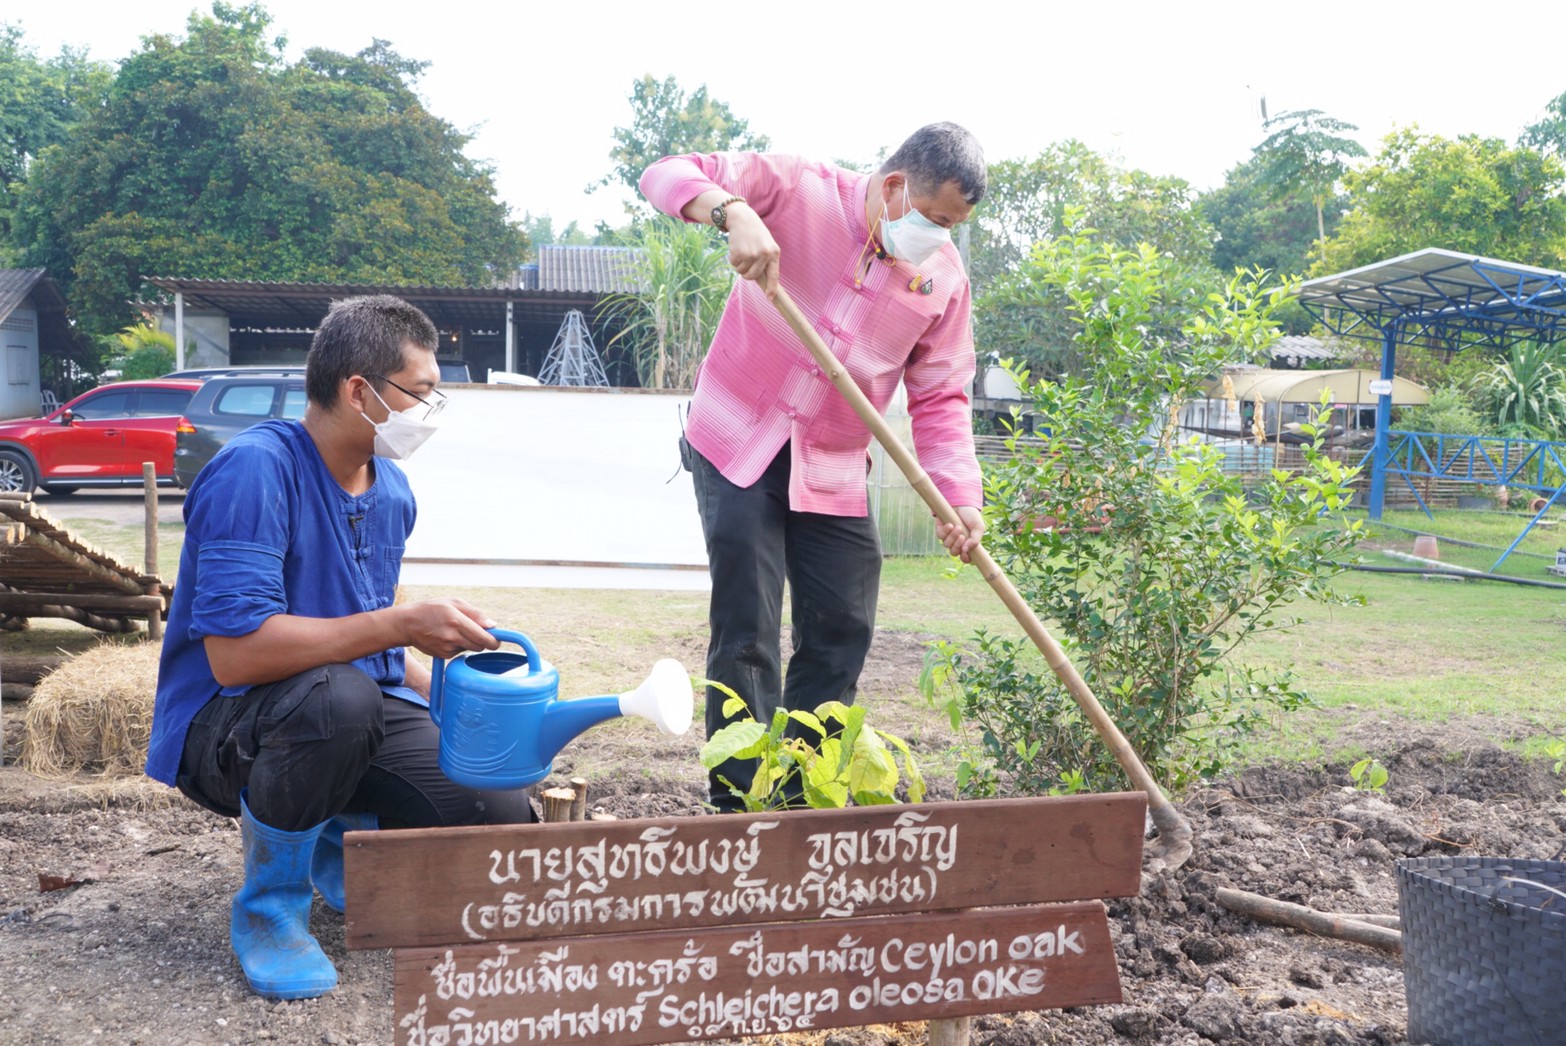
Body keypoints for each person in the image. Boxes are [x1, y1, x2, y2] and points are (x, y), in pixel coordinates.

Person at [146, 295, 533, 1001]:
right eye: (419, 394)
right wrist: (399, 625)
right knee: (340, 700)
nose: (429, 413)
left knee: (493, 806)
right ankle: (270, 911)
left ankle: (338, 847)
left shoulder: (394, 493)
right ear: (359, 389)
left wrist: (463, 703)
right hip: (226, 725)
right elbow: (237, 656)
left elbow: (372, 626)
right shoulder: (255, 471)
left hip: (333, 710)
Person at [639, 122, 988, 811]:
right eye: (937, 219)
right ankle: (740, 803)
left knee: (843, 624)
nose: (941, 237)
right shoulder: (799, 188)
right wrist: (733, 211)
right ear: (894, 189)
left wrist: (960, 498)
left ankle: (805, 797)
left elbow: (943, 397)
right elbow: (664, 172)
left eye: (955, 226)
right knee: (748, 624)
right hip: (737, 442)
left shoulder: (942, 281)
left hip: (831, 462)